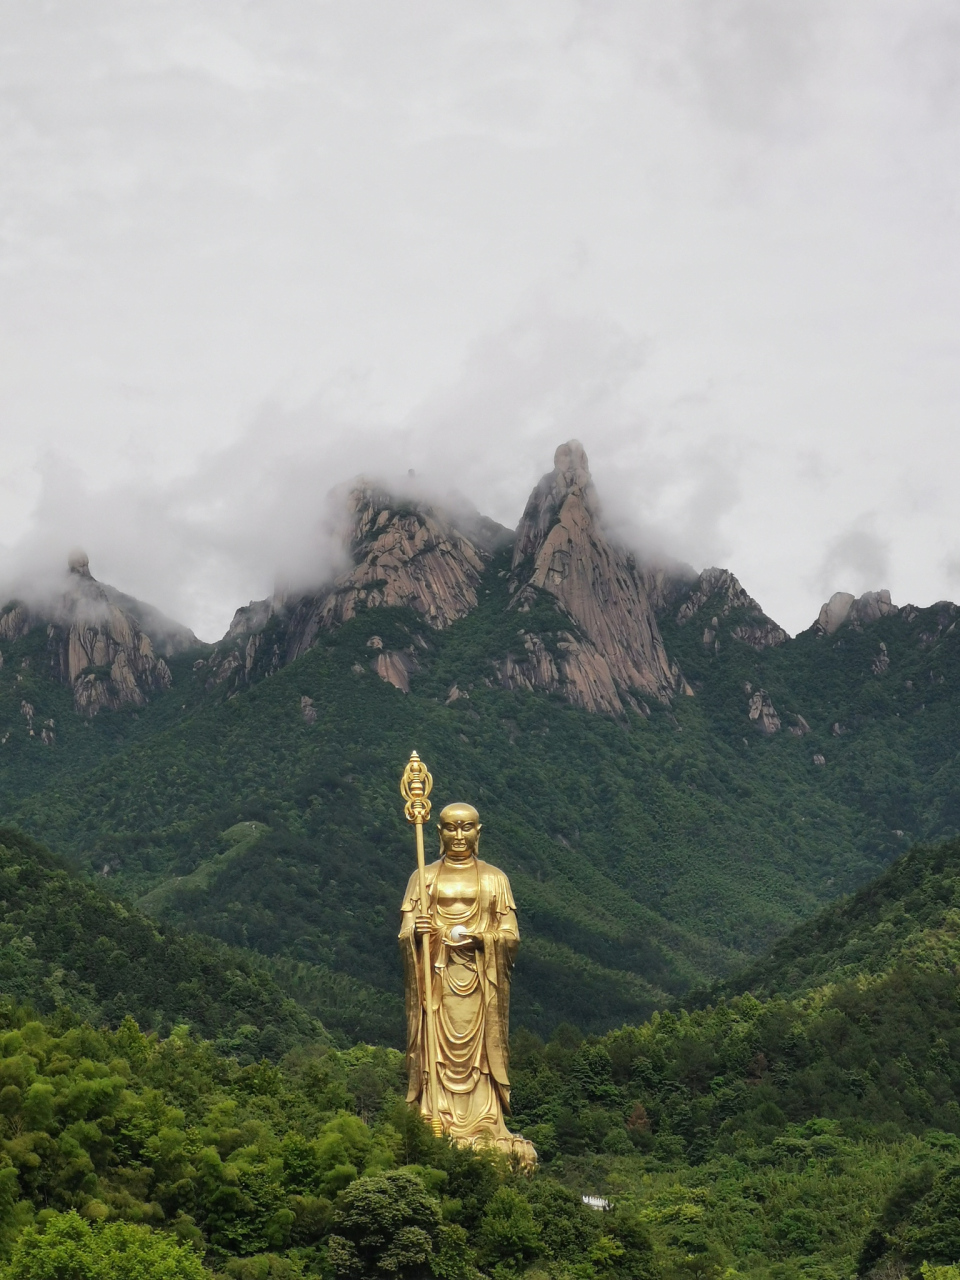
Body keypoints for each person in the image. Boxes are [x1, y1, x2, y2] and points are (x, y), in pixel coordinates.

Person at [399, 802, 535, 1163]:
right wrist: (419, 933)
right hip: (437, 984)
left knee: (481, 1058)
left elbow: (510, 934)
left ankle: (485, 1122)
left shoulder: (495, 879)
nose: (459, 836)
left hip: (480, 984)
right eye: (450, 828)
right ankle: (436, 1114)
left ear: (479, 831)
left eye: (467, 828)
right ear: (438, 833)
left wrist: (482, 939)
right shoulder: (422, 878)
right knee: (436, 1052)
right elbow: (405, 931)